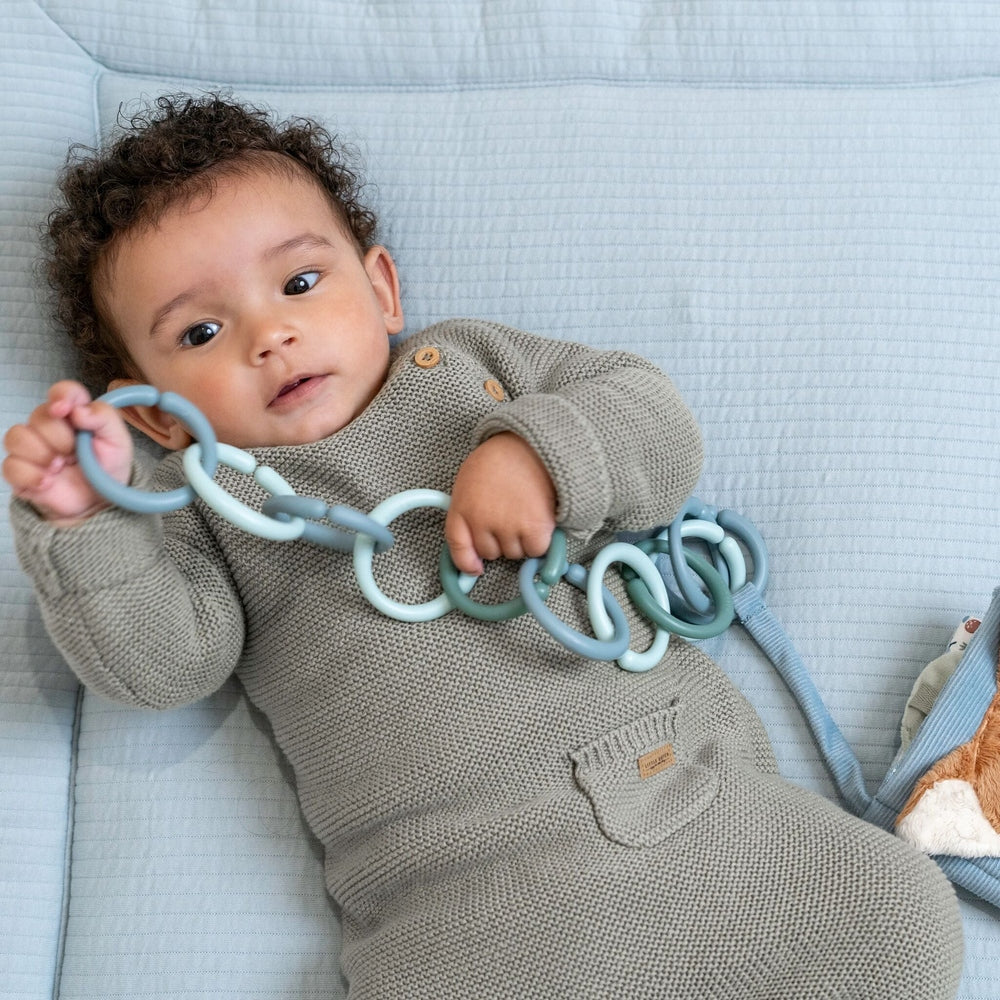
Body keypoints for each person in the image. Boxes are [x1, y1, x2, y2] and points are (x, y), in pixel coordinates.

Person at [2, 94, 964, 998]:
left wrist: (535, 454)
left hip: (679, 810)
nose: (271, 336)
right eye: (201, 330)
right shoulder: (206, 499)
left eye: (299, 281)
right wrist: (83, 520)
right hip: (452, 909)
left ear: (381, 289)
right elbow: (164, 664)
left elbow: (653, 419)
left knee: (900, 918)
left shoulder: (469, 369)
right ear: (158, 417)